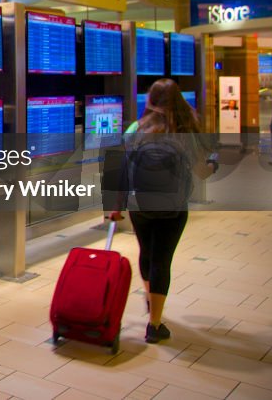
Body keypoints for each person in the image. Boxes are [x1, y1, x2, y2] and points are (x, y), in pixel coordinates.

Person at [109, 79, 216, 344]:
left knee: (147, 253)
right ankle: (155, 324)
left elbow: (122, 167)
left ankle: (149, 298)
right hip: (173, 206)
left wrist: (116, 205)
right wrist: (214, 165)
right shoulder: (187, 129)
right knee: (162, 259)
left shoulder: (137, 128)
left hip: (140, 206)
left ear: (150, 100)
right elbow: (202, 171)